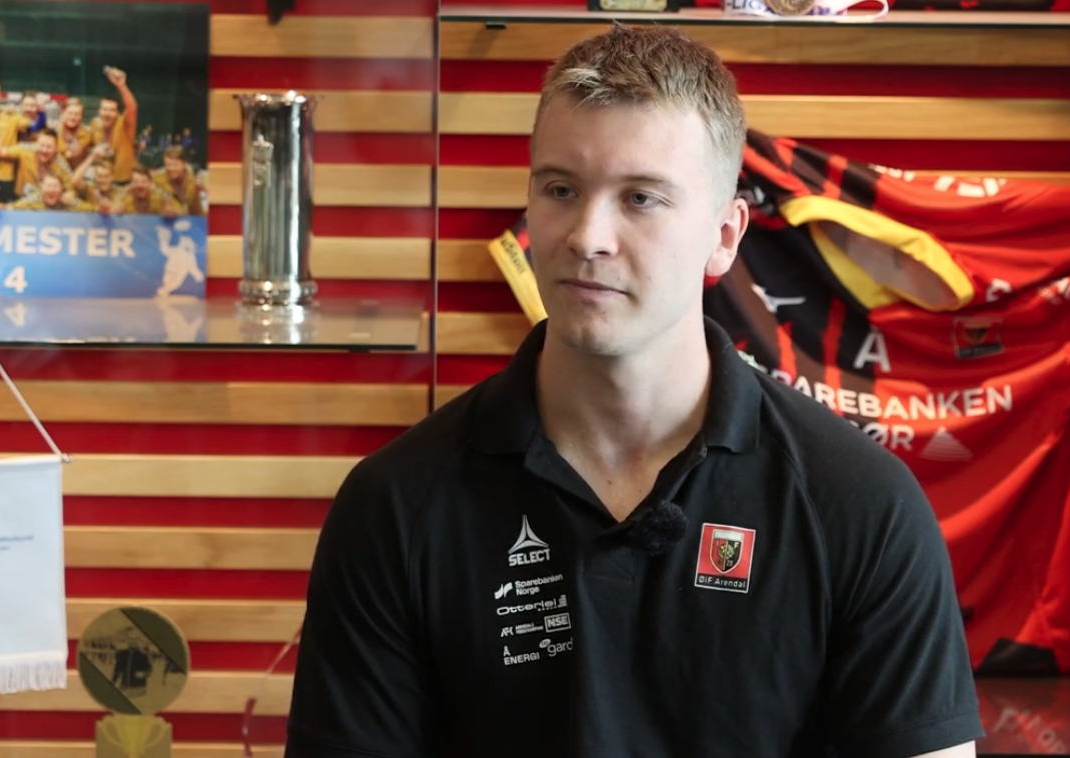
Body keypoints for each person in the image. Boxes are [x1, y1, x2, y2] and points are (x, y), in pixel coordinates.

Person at [285, 23, 983, 758]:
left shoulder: (860, 504)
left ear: (724, 235)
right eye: (560, 189)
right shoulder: (395, 506)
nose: (587, 235)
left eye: (641, 198)